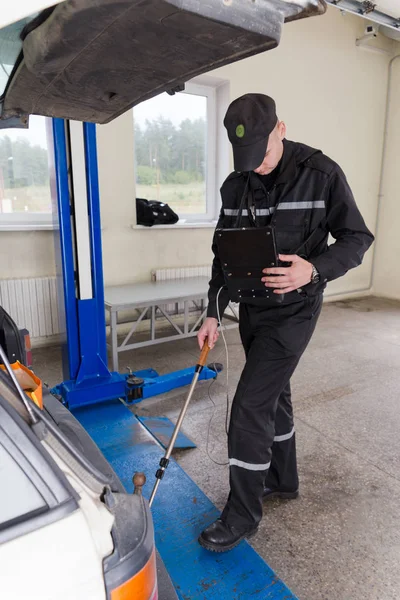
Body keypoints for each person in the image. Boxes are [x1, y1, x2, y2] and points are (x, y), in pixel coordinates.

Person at [197, 93, 374, 553]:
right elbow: (223, 254)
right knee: (275, 395)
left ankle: (242, 515)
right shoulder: (236, 185)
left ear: (280, 129)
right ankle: (282, 479)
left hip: (295, 312)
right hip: (252, 309)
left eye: (263, 155)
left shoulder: (321, 173)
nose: (255, 167)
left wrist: (311, 269)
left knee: (250, 405)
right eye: (246, 160)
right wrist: (214, 312)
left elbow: (357, 237)